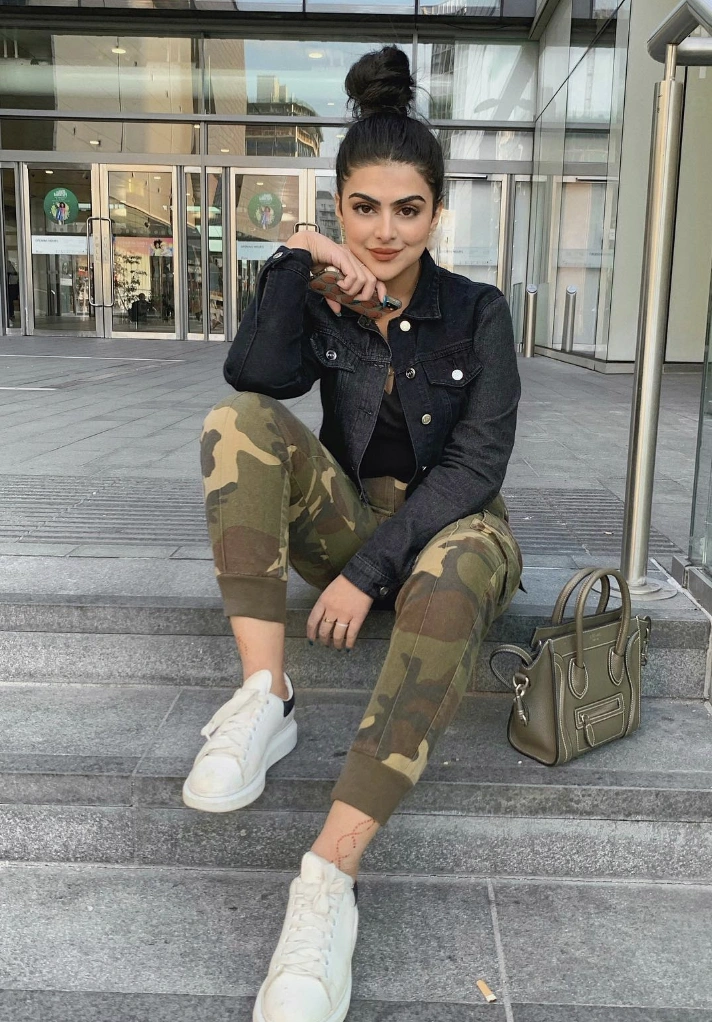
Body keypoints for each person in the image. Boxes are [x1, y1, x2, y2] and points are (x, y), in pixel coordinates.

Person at [184, 45, 522, 1022]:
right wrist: (296, 259)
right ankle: (263, 693)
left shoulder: (477, 312)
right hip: (346, 512)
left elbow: (474, 467)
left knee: (451, 577)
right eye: (362, 208)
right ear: (339, 205)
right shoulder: (324, 285)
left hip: (453, 525)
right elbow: (256, 379)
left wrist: (370, 570)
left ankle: (325, 881)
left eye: (406, 209)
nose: (384, 230)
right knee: (234, 430)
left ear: (435, 211)